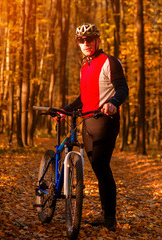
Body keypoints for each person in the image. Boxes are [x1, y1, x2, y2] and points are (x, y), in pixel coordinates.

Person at [60, 23, 129, 231]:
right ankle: (105, 213)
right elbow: (84, 98)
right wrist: (65, 110)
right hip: (87, 122)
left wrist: (113, 103)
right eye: (82, 41)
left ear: (97, 40)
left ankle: (109, 218)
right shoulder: (84, 67)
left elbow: (123, 88)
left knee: (101, 165)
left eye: (89, 39)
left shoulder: (109, 61)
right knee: (98, 169)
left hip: (105, 121)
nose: (86, 43)